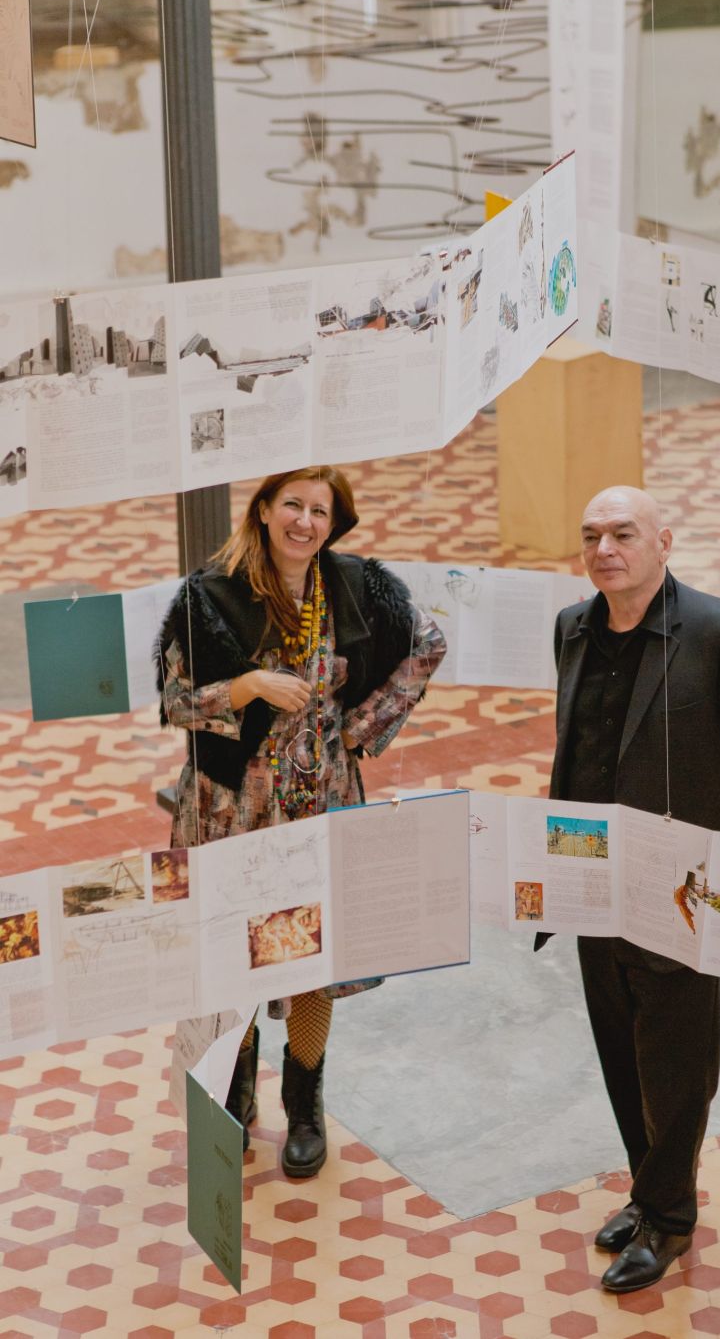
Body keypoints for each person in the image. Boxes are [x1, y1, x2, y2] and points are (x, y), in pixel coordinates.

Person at [542, 485, 720, 1293]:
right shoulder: (572, 627)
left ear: (663, 543)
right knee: (620, 1044)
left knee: (677, 1056)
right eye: (592, 535)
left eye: (623, 534)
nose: (605, 550)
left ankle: (670, 1217)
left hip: (682, 887)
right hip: (591, 875)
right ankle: (647, 1189)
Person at [157, 466, 446, 1177]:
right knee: (231, 955)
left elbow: (427, 645)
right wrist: (248, 685)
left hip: (320, 803)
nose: (306, 522)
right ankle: (234, 1088)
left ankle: (305, 1102)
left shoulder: (354, 586)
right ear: (263, 509)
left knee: (314, 957)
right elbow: (176, 702)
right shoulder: (210, 595)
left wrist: (361, 727)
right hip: (229, 808)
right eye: (293, 504)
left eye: (321, 510)